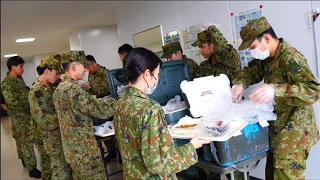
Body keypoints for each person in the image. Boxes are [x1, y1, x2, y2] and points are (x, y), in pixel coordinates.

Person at [232, 16, 320, 180]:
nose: (253, 52)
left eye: (253, 47)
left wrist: (275, 91)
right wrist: (239, 84)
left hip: (293, 136)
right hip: (278, 132)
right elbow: (250, 71)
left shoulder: (290, 58)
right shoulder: (268, 59)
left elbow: (313, 91)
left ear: (266, 38)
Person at [114, 47, 211, 179]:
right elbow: (159, 164)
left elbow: (134, 139)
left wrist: (162, 133)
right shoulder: (150, 108)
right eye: (157, 74)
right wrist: (192, 146)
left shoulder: (121, 103)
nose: (157, 79)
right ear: (147, 74)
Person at [53, 51, 115, 179]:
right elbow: (100, 110)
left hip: (72, 151)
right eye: (83, 66)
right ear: (74, 67)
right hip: (85, 151)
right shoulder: (73, 90)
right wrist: (119, 101)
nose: (86, 69)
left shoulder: (59, 89)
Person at [192, 25, 243, 180]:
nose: (200, 50)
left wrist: (213, 30)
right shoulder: (204, 67)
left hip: (230, 117)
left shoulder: (230, 60)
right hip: (211, 119)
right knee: (212, 162)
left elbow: (226, 50)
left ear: (213, 45)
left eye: (202, 46)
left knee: (234, 162)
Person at [29, 54, 72, 180]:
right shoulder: (36, 92)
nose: (58, 76)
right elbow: (43, 121)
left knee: (67, 168)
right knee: (61, 171)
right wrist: (64, 114)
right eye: (56, 73)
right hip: (52, 139)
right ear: (47, 71)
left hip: (63, 134)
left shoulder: (54, 84)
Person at [1, 56, 41, 178]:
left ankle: (25, 160)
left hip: (27, 115)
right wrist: (30, 99)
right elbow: (12, 102)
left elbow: (23, 94)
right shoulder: (6, 83)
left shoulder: (19, 78)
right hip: (19, 118)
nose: (23, 69)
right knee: (26, 143)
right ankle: (32, 169)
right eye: (21, 66)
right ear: (13, 67)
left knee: (23, 142)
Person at [85, 54, 118, 161]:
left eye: (88, 66)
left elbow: (109, 90)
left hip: (109, 103)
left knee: (114, 128)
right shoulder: (91, 74)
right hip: (100, 104)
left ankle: (119, 151)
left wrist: (92, 88)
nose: (87, 69)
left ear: (94, 64)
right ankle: (111, 150)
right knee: (103, 128)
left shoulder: (106, 74)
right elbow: (94, 90)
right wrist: (89, 89)